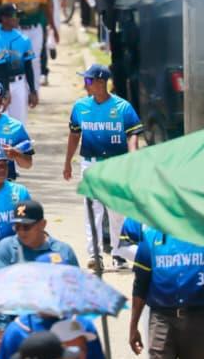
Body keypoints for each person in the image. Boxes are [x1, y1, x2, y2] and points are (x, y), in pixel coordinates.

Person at [65, 63, 142, 267]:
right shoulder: (80, 107)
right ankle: (95, 255)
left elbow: (133, 134)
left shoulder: (122, 108)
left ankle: (119, 253)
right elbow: (74, 135)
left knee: (117, 212)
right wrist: (67, 163)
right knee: (93, 209)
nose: (85, 84)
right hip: (90, 164)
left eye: (88, 80)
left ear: (101, 83)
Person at [127, 228, 204, 359]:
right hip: (161, 321)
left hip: (198, 322)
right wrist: (133, 326)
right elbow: (140, 284)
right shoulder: (151, 237)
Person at [0, 197, 79, 271]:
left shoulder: (63, 251)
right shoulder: (6, 248)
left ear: (43, 224)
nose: (21, 232)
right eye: (17, 227)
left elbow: (75, 285)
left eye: (26, 227)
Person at [0, 3, 38, 127]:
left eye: (18, 15)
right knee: (1, 123)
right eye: (14, 15)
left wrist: (33, 90)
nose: (17, 18)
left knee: (19, 123)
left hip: (19, 84)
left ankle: (20, 147)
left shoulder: (24, 39)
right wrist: (4, 90)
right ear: (4, 18)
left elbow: (28, 66)